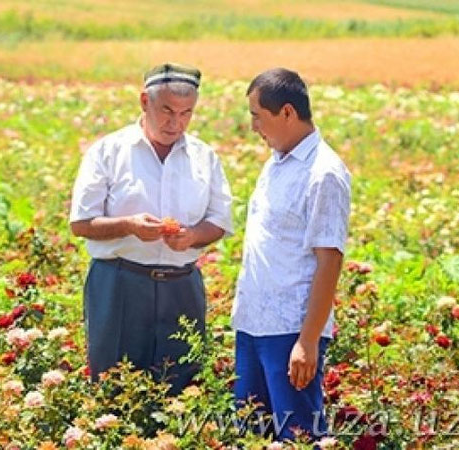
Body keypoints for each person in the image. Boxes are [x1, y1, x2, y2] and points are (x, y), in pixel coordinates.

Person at [69, 63, 233, 394]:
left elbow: (219, 221)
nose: (176, 123)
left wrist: (193, 236)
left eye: (186, 113)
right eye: (167, 111)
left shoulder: (204, 157)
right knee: (115, 390)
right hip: (120, 284)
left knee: (182, 389)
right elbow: (81, 223)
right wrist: (128, 226)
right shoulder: (109, 151)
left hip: (181, 288)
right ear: (145, 101)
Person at [232, 68, 351, 442]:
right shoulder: (277, 162)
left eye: (257, 116)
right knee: (251, 434)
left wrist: (308, 340)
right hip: (253, 323)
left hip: (290, 331)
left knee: (297, 437)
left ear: (286, 112)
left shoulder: (323, 173)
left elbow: (329, 260)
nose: (253, 127)